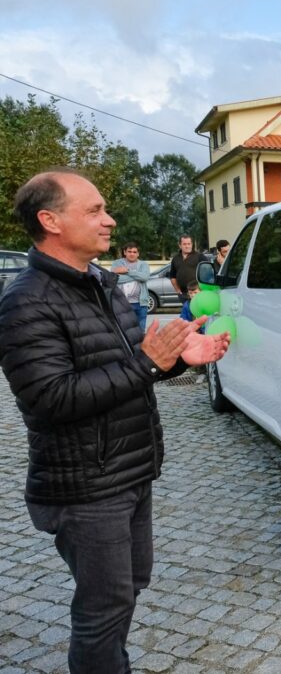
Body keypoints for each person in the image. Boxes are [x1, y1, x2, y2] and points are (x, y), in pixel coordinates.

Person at [0, 169, 231, 672]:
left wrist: (176, 361)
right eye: (94, 211)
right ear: (50, 220)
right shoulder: (26, 301)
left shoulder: (102, 284)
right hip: (84, 484)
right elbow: (50, 399)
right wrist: (150, 361)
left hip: (128, 469)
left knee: (129, 587)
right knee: (103, 608)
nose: (110, 220)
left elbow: (129, 373)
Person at [111, 240, 151, 331]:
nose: (132, 254)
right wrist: (137, 275)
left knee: (140, 331)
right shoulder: (117, 263)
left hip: (140, 304)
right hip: (122, 303)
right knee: (125, 330)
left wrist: (127, 271)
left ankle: (139, 346)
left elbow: (144, 277)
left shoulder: (143, 265)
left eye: (134, 252)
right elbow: (115, 279)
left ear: (138, 254)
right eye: (129, 251)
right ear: (125, 252)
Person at [168, 234, 203, 303]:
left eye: (189, 244)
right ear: (180, 245)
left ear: (192, 244)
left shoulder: (200, 256)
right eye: (184, 244)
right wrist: (178, 290)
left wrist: (202, 290)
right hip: (183, 294)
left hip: (197, 293)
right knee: (186, 312)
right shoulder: (175, 259)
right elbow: (172, 276)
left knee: (198, 313)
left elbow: (208, 273)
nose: (187, 246)